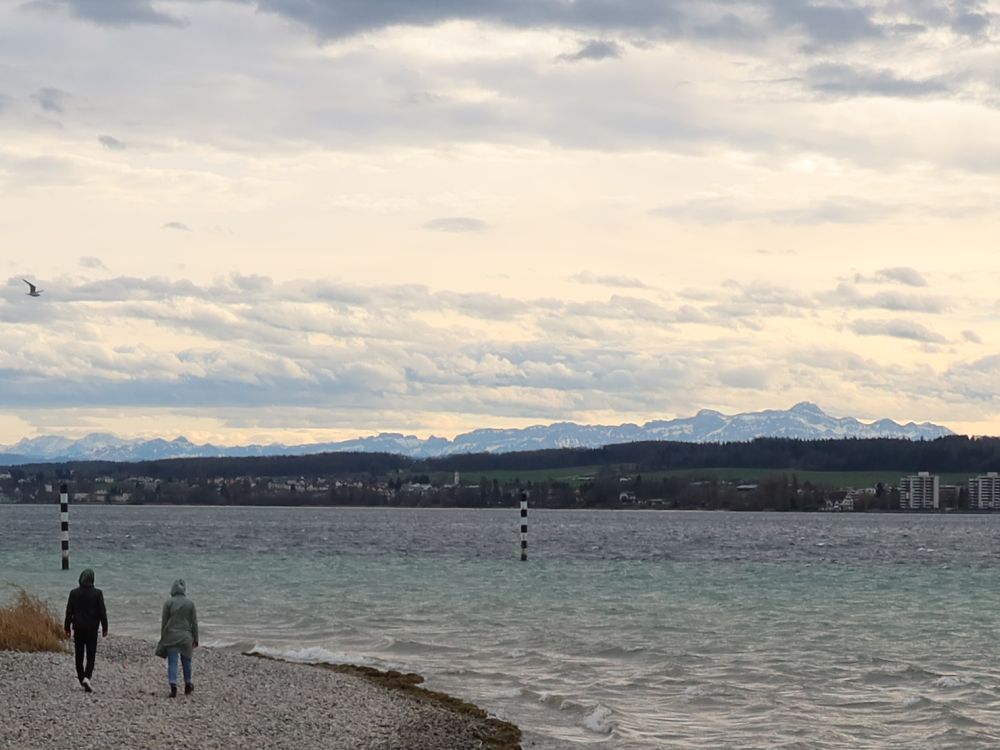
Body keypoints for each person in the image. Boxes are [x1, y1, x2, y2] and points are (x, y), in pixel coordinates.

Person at [64, 568, 109, 693]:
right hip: (92, 628)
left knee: (79, 655)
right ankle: (87, 677)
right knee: (90, 655)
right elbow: (102, 612)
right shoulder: (97, 593)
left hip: (78, 628)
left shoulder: (74, 593)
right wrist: (105, 627)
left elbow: (69, 612)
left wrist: (66, 627)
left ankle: (81, 678)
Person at [155, 579, 199, 698]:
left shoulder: (168, 603)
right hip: (186, 636)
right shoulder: (190, 604)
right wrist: (196, 639)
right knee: (187, 662)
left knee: (172, 662)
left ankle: (173, 685)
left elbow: (164, 622)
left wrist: (163, 638)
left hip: (171, 635)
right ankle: (188, 684)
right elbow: (194, 623)